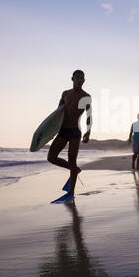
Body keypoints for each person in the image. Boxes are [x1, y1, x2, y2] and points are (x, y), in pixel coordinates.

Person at [48, 70, 92, 202]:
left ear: (84, 81)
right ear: (72, 79)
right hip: (62, 130)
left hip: (74, 131)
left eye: (81, 78)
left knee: (72, 159)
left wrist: (88, 132)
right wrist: (51, 131)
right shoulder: (65, 94)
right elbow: (58, 113)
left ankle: (71, 192)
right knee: (51, 157)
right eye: (77, 77)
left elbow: (89, 116)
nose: (79, 80)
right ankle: (75, 170)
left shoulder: (86, 97)